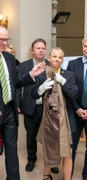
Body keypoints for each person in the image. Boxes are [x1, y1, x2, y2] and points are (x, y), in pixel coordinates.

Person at [0, 25, 46, 180]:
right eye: (2, 39)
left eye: (7, 39)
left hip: (9, 111)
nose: (5, 43)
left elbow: (14, 82)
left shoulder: (9, 58)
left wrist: (31, 75)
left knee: (12, 151)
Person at [31, 47, 78, 180]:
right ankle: (46, 176)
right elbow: (33, 94)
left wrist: (63, 82)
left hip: (66, 119)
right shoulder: (41, 74)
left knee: (68, 151)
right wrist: (41, 88)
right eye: (54, 56)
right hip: (48, 119)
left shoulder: (69, 75)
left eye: (60, 57)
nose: (57, 59)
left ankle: (67, 178)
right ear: (49, 58)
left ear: (62, 60)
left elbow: (74, 94)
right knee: (49, 149)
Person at [16, 38, 59, 174]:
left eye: (43, 48)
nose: (41, 50)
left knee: (50, 136)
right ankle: (31, 159)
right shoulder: (23, 66)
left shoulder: (50, 65)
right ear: (32, 51)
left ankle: (51, 163)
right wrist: (17, 103)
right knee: (31, 136)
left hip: (48, 108)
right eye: (38, 48)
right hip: (31, 106)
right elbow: (18, 87)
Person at [67, 37, 87, 180]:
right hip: (75, 111)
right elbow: (68, 89)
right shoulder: (73, 64)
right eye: (86, 46)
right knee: (71, 146)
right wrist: (77, 109)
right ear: (82, 47)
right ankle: (68, 175)